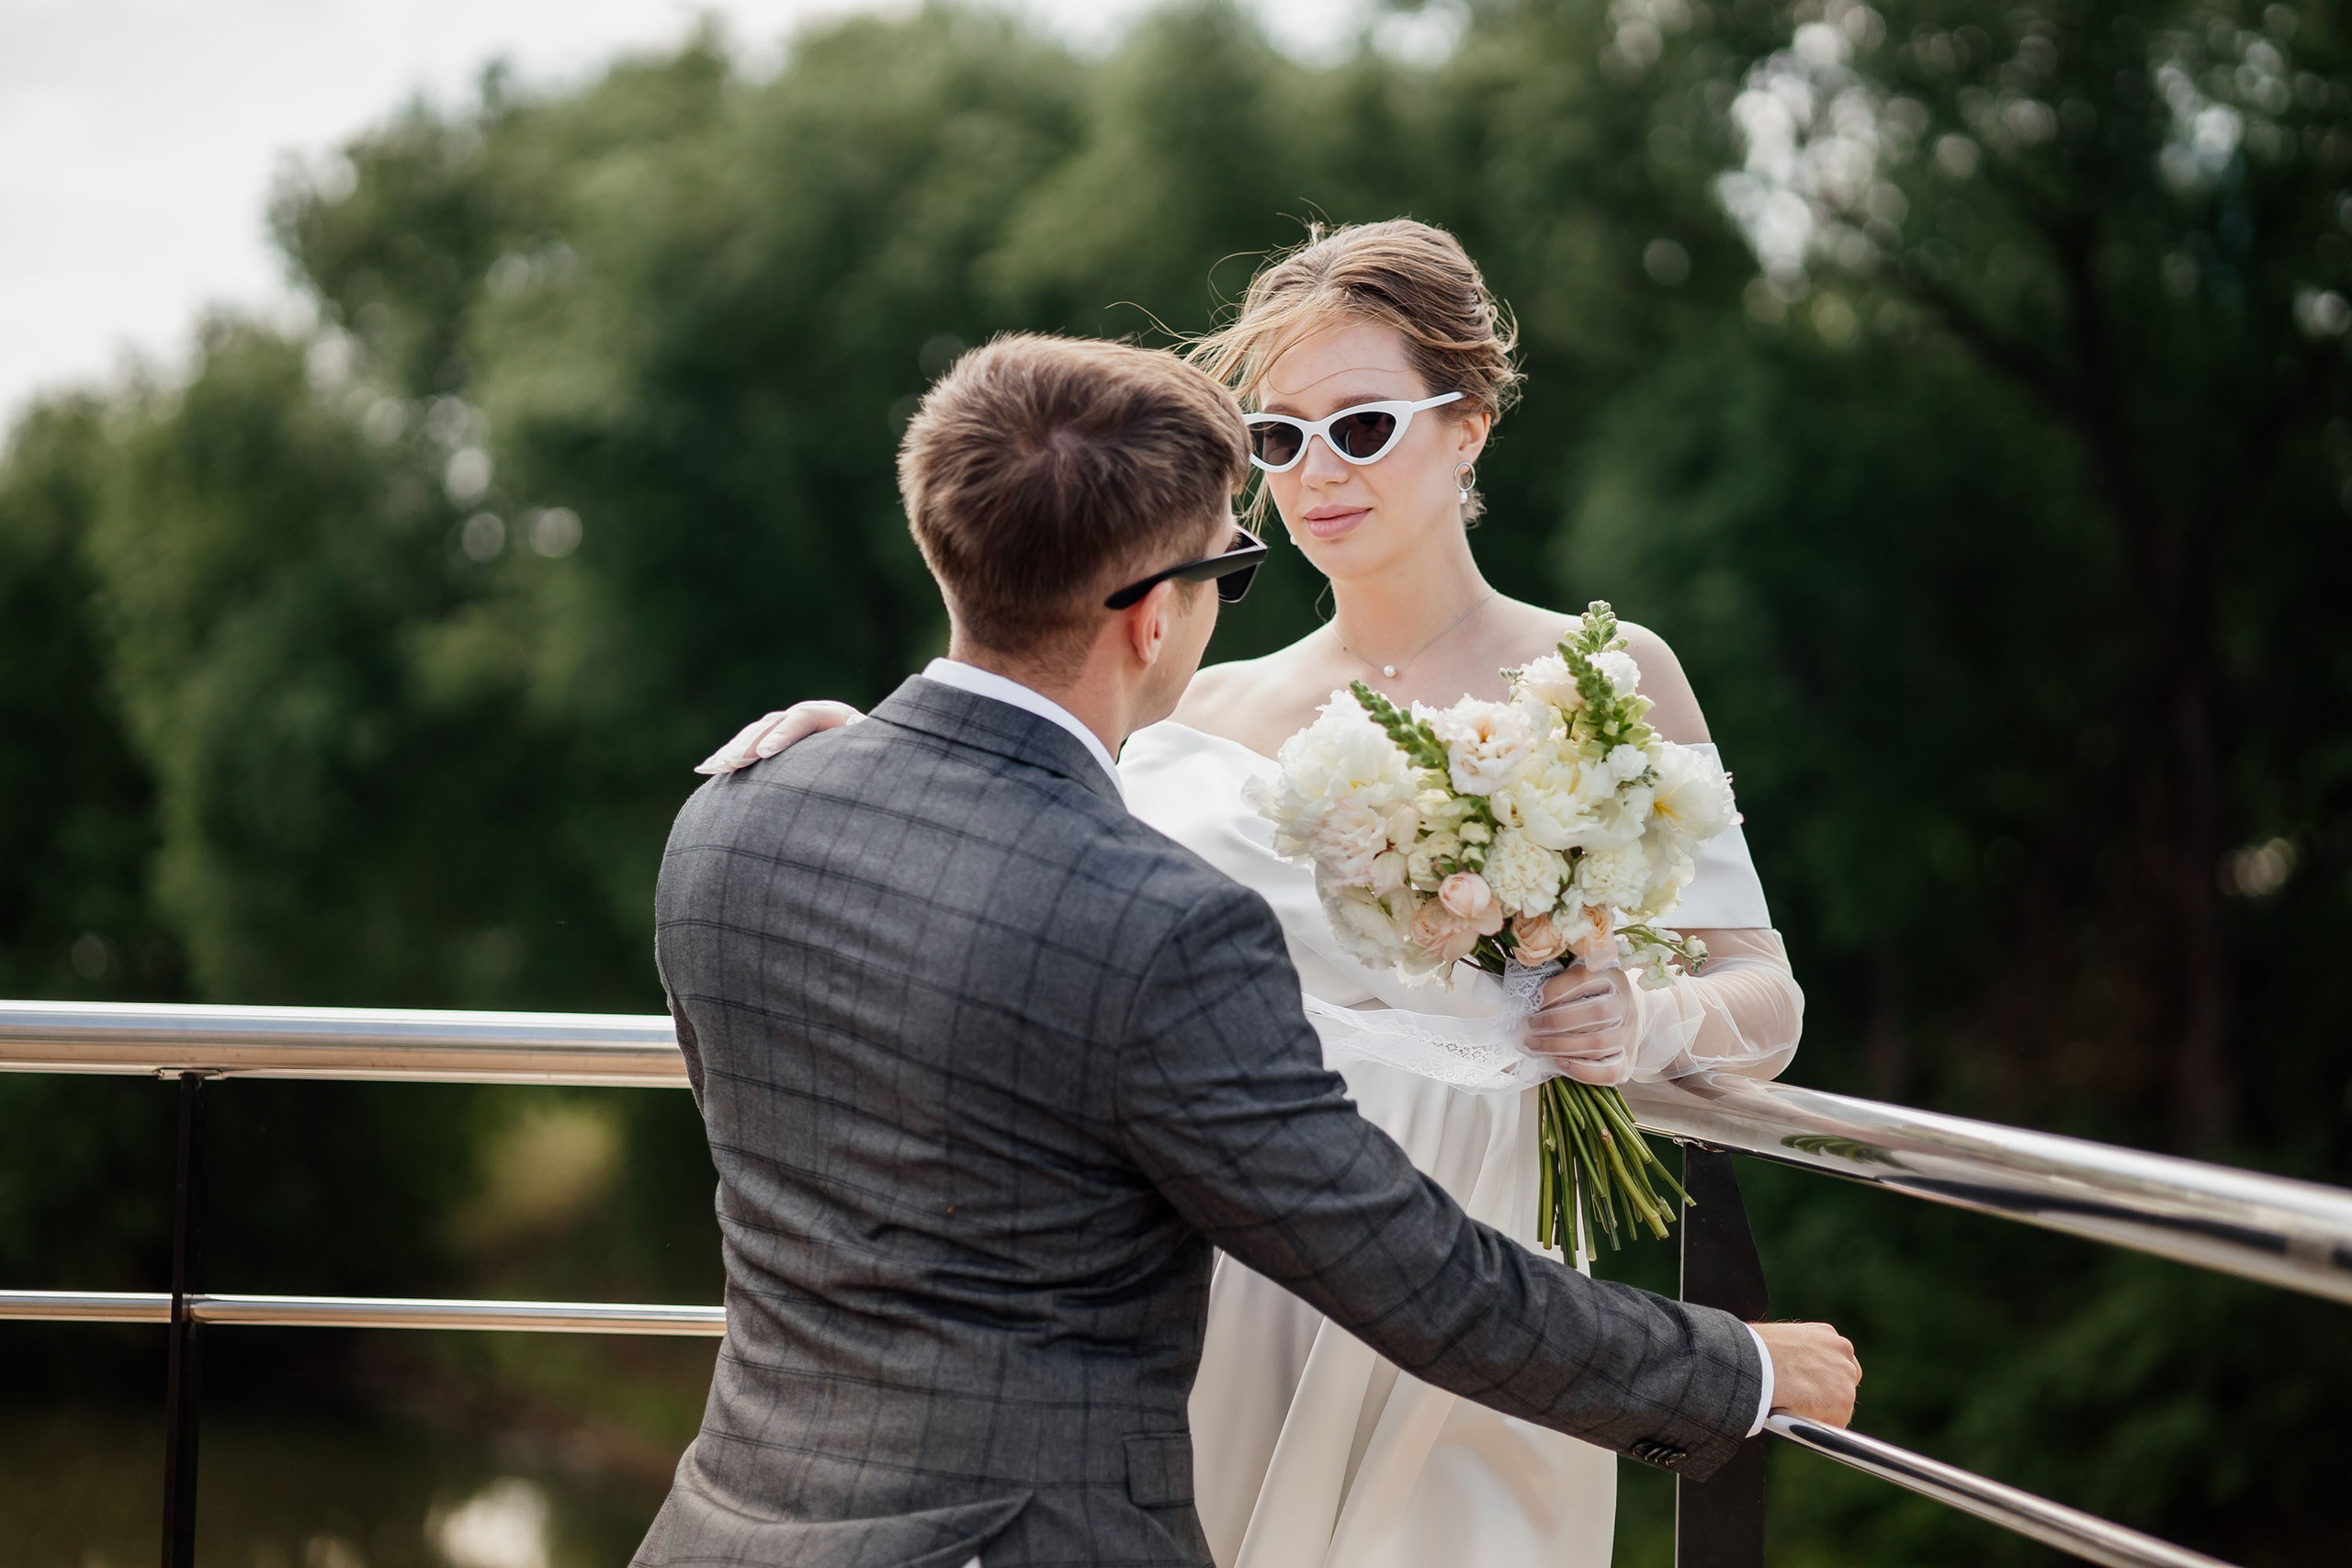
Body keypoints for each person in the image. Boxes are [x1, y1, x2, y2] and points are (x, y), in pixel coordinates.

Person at [648, 329, 1858, 1568]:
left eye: (1362, 426)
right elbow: (1412, 1278)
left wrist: (881, 764)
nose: (1317, 473)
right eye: (1233, 557)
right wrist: (1739, 1370)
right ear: (1152, 619)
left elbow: (981, 937)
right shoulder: (1161, 919)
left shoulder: (734, 821)